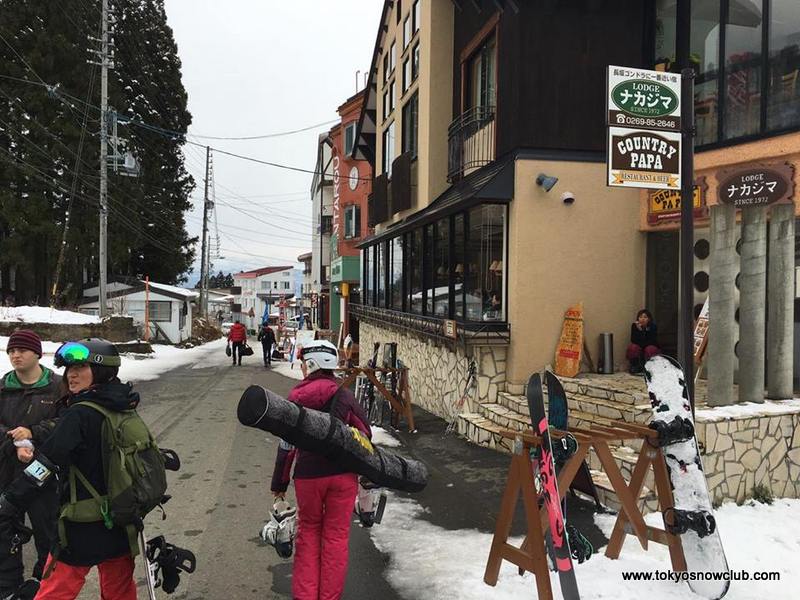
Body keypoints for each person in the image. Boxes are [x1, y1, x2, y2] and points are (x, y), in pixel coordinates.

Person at [0, 339, 139, 599]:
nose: (71, 375)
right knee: (119, 590)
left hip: (82, 522)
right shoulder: (124, 404)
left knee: (54, 591)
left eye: (80, 368)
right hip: (121, 516)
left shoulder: (79, 414)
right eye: (69, 369)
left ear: (101, 371)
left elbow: (46, 463)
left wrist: (11, 499)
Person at [270, 340, 371, 600]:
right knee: (336, 538)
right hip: (343, 475)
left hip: (308, 477)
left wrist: (279, 485)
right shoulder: (344, 396)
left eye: (304, 364)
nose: (302, 368)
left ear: (312, 364)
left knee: (309, 533)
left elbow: (286, 445)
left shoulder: (296, 398)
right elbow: (366, 435)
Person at [0, 330, 61, 596]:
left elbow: (66, 422)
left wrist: (33, 433)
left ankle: (43, 586)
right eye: (11, 351)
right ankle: (8, 589)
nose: (16, 355)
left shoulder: (57, 386)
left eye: (22, 350)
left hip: (44, 476)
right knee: (4, 533)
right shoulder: (3, 387)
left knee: (48, 534)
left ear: (37, 353)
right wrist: (14, 443)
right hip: (7, 472)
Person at [627, 309, 660, 374]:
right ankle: (635, 366)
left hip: (650, 346)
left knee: (650, 349)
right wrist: (640, 330)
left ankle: (650, 368)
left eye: (645, 317)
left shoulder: (653, 326)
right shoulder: (634, 326)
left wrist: (644, 332)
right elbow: (633, 340)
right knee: (633, 347)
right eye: (640, 317)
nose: (642, 319)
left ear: (649, 319)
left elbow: (652, 340)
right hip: (640, 346)